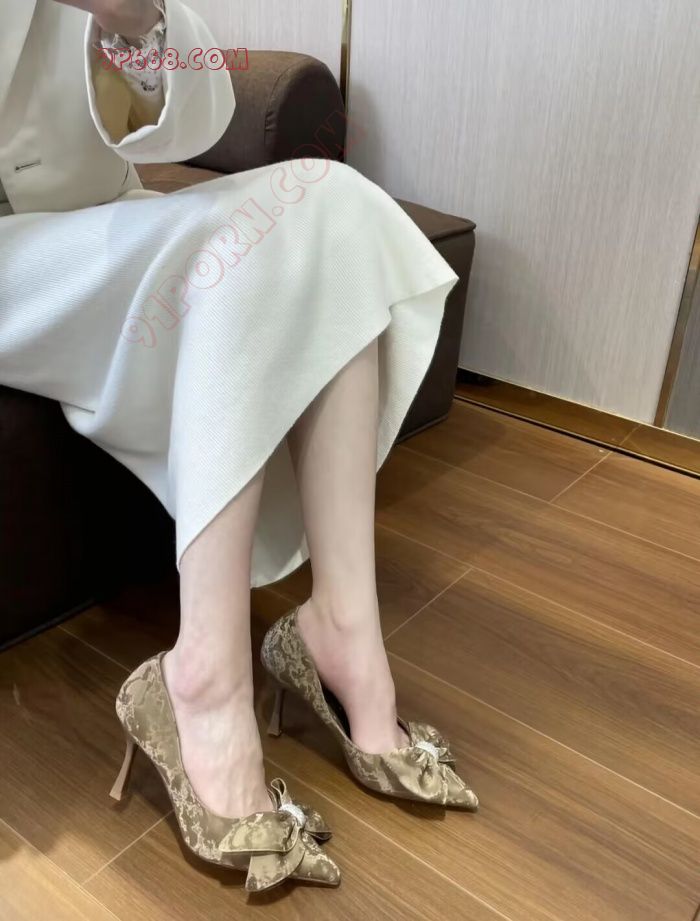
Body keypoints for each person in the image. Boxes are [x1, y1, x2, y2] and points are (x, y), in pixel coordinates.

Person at [0, 0, 478, 893]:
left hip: (99, 217)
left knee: (329, 198)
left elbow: (200, 102)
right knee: (235, 247)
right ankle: (203, 681)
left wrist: (137, 24)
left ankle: (343, 628)